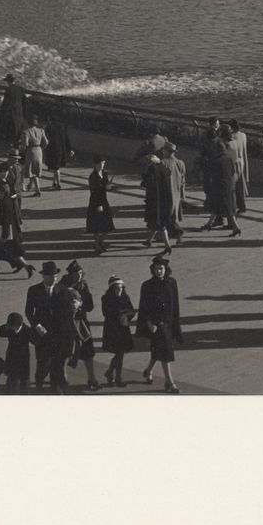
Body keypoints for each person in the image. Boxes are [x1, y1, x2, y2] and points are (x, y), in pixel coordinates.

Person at [136, 255, 183, 391]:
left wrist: (176, 324)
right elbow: (144, 307)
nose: (159, 271)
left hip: (167, 323)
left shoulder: (172, 283)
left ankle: (148, 370)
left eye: (161, 268)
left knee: (159, 349)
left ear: (165, 269)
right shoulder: (147, 285)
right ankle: (169, 382)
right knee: (166, 351)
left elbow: (175, 305)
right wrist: (149, 323)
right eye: (156, 269)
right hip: (155, 325)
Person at [25, 262, 62, 386]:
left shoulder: (61, 290)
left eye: (55, 277)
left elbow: (66, 309)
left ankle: (54, 386)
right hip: (42, 332)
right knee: (42, 361)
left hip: (57, 332)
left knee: (56, 361)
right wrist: (37, 325)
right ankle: (39, 384)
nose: (54, 279)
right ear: (44, 276)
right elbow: (29, 311)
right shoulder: (34, 290)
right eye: (51, 276)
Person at [0, 181, 32, 279]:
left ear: (3, 192)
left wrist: (4, 235)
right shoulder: (6, 200)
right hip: (4, 230)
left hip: (5, 232)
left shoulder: (4, 203)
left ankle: (26, 267)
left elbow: (7, 220)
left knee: (10, 252)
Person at [100, 274, 137, 385]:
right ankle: (116, 376)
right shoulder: (106, 298)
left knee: (120, 353)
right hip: (112, 329)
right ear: (112, 289)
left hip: (123, 328)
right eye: (117, 288)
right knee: (120, 353)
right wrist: (120, 313)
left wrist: (127, 316)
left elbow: (131, 310)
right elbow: (106, 313)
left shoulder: (125, 297)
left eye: (121, 287)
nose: (119, 290)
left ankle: (112, 374)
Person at [0, 311, 44, 394]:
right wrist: (5, 327)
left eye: (13, 326)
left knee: (24, 381)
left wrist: (40, 329)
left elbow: (37, 339)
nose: (12, 328)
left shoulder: (27, 330)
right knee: (11, 380)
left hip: (23, 358)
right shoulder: (9, 329)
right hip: (11, 357)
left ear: (18, 325)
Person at [141, 154, 173, 249]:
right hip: (165, 198)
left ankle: (167, 246)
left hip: (155, 200)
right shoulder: (164, 168)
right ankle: (148, 241)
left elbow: (148, 183)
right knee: (155, 222)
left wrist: (144, 178)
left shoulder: (153, 169)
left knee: (159, 223)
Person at [86, 156, 115, 252]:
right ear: (95, 164)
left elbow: (106, 187)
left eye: (104, 163)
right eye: (101, 163)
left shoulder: (104, 174)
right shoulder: (93, 177)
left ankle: (99, 242)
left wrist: (109, 186)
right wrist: (98, 205)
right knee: (96, 226)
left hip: (104, 200)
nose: (103, 165)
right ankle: (97, 244)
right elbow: (94, 191)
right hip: (96, 202)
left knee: (107, 224)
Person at [0, 72, 27, 145]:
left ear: (8, 81)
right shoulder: (21, 89)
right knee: (18, 126)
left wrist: (2, 111)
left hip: (11, 111)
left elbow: (6, 102)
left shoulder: (9, 89)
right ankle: (17, 142)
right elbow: (24, 101)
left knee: (10, 127)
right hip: (19, 111)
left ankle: (10, 142)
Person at [44, 117, 73, 190]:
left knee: (55, 168)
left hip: (53, 150)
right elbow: (67, 139)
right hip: (61, 150)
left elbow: (46, 137)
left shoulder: (50, 127)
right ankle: (54, 182)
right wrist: (69, 149)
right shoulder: (62, 128)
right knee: (56, 167)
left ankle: (58, 184)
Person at [20, 118, 47, 197]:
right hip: (39, 150)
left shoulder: (26, 132)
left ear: (28, 124)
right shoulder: (41, 130)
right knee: (35, 169)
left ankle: (38, 190)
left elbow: (25, 144)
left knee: (32, 170)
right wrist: (41, 148)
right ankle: (30, 185)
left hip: (30, 150)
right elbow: (46, 142)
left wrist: (21, 150)